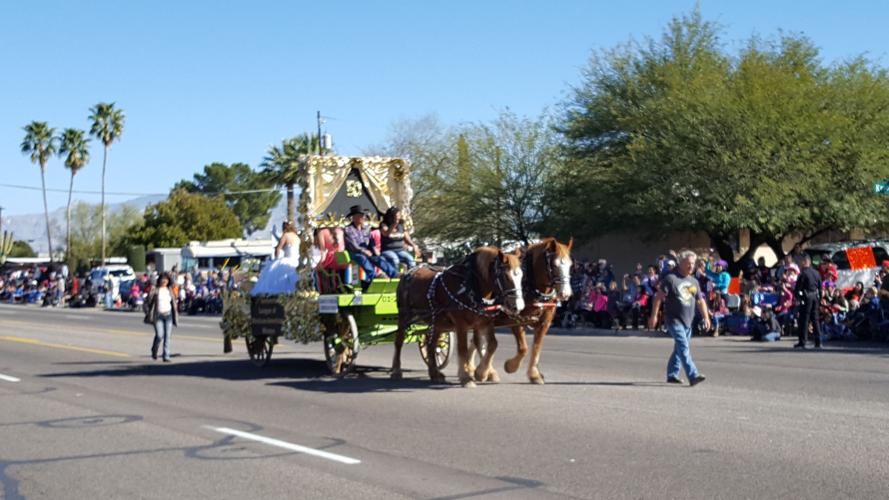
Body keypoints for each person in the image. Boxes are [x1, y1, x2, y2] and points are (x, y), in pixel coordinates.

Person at [649, 250, 710, 386]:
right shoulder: (671, 279)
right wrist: (654, 316)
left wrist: (706, 317)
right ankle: (693, 375)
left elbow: (700, 301)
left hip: (688, 320)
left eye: (693, 264)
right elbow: (658, 297)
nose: (691, 266)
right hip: (673, 319)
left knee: (679, 349)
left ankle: (672, 374)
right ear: (680, 263)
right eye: (688, 263)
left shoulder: (693, 281)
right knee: (683, 347)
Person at [343, 205, 397, 290]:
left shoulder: (367, 229)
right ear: (354, 217)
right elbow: (353, 245)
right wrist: (363, 251)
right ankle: (375, 276)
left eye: (363, 215)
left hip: (367, 251)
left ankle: (394, 274)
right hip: (354, 253)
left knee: (378, 258)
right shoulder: (348, 229)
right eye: (361, 215)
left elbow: (371, 242)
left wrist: (374, 249)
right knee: (362, 258)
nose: (363, 217)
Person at [251, 221, 301, 296]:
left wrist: (276, 259)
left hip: (287, 259)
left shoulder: (286, 235)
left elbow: (278, 248)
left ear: (285, 227)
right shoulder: (296, 236)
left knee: (272, 275)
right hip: (295, 261)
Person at [145, 273, 178, 362]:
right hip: (158, 315)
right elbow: (147, 302)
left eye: (166, 279)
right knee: (160, 335)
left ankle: (166, 355)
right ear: (159, 280)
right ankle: (154, 350)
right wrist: (148, 312)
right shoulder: (155, 290)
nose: (164, 281)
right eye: (162, 279)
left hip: (168, 315)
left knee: (167, 336)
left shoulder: (170, 290)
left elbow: (174, 301)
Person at [793, 254, 823, 349]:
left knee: (804, 320)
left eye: (801, 261)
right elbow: (820, 287)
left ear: (805, 262)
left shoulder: (803, 273)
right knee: (815, 319)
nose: (800, 263)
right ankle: (818, 342)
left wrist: (797, 297)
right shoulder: (816, 273)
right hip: (815, 297)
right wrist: (820, 298)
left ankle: (803, 341)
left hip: (806, 298)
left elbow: (798, 287)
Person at [379, 206, 417, 273]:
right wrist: (394, 224)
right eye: (397, 215)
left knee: (410, 259)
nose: (399, 217)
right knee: (395, 259)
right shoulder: (383, 225)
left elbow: (407, 238)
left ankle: (411, 277)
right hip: (387, 250)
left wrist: (414, 245)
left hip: (400, 250)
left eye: (399, 215)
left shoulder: (401, 225)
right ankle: (395, 276)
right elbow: (386, 233)